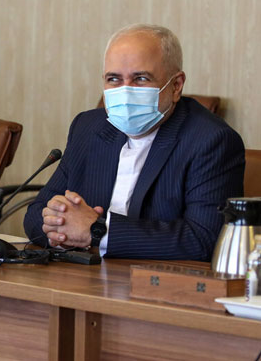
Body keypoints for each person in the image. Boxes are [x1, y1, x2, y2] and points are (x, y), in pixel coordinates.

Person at [23, 24, 245, 260]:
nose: (125, 91)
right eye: (114, 79)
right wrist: (63, 231)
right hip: (83, 274)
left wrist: (97, 232)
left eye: (140, 79)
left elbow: (205, 239)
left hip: (153, 280)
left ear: (176, 85)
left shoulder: (211, 141)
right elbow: (37, 212)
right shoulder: (88, 128)